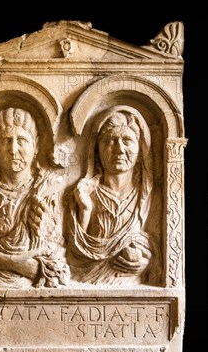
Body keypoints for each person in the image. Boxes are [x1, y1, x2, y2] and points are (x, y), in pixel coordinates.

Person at [0, 107, 68, 287]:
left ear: (36, 145)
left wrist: (46, 229)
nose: (13, 149)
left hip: (35, 271)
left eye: (22, 140)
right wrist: (18, 264)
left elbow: (58, 247)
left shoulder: (48, 187)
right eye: (6, 140)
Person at [67, 105, 160, 285]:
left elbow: (158, 247)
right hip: (85, 282)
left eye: (127, 140)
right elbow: (73, 256)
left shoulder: (149, 198)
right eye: (110, 140)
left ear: (140, 151)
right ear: (97, 150)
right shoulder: (83, 193)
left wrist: (147, 259)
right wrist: (85, 210)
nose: (118, 149)